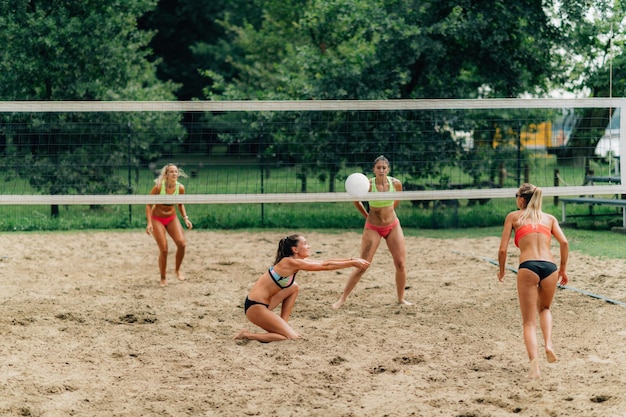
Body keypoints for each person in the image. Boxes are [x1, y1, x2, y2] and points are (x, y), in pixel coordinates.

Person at [234, 234, 370, 343]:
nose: (309, 246)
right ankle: (247, 335)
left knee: (293, 287)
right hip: (255, 307)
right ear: (295, 249)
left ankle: (283, 324)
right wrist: (352, 263)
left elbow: (324, 262)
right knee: (290, 337)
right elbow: (325, 266)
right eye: (305, 244)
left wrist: (352, 259)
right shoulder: (289, 262)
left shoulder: (295, 262)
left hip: (264, 304)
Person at [497, 183, 569, 379]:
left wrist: (502, 271)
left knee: (529, 323)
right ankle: (549, 344)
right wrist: (562, 269)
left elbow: (503, 250)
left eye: (516, 195)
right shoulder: (550, 218)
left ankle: (535, 367)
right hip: (550, 268)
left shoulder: (513, 217)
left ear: (521, 199)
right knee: (545, 309)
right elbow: (564, 242)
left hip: (528, 267)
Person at [333, 155, 412, 309]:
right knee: (363, 265)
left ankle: (401, 299)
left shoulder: (395, 184)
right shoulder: (367, 185)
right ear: (374, 169)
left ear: (388, 169)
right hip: (373, 227)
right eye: (378, 168)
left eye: (384, 168)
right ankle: (342, 299)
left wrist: (390, 211)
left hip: (392, 225)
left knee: (401, 263)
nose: (381, 170)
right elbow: (356, 201)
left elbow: (397, 199)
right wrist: (367, 216)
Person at [146, 163, 193, 287]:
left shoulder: (180, 188)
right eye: (171, 171)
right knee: (164, 249)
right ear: (166, 174)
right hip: (157, 219)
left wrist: (185, 218)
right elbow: (148, 204)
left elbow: (180, 204)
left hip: (171, 217)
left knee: (182, 244)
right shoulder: (158, 187)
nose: (174, 173)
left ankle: (177, 270)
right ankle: (163, 277)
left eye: (176, 171)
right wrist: (149, 222)